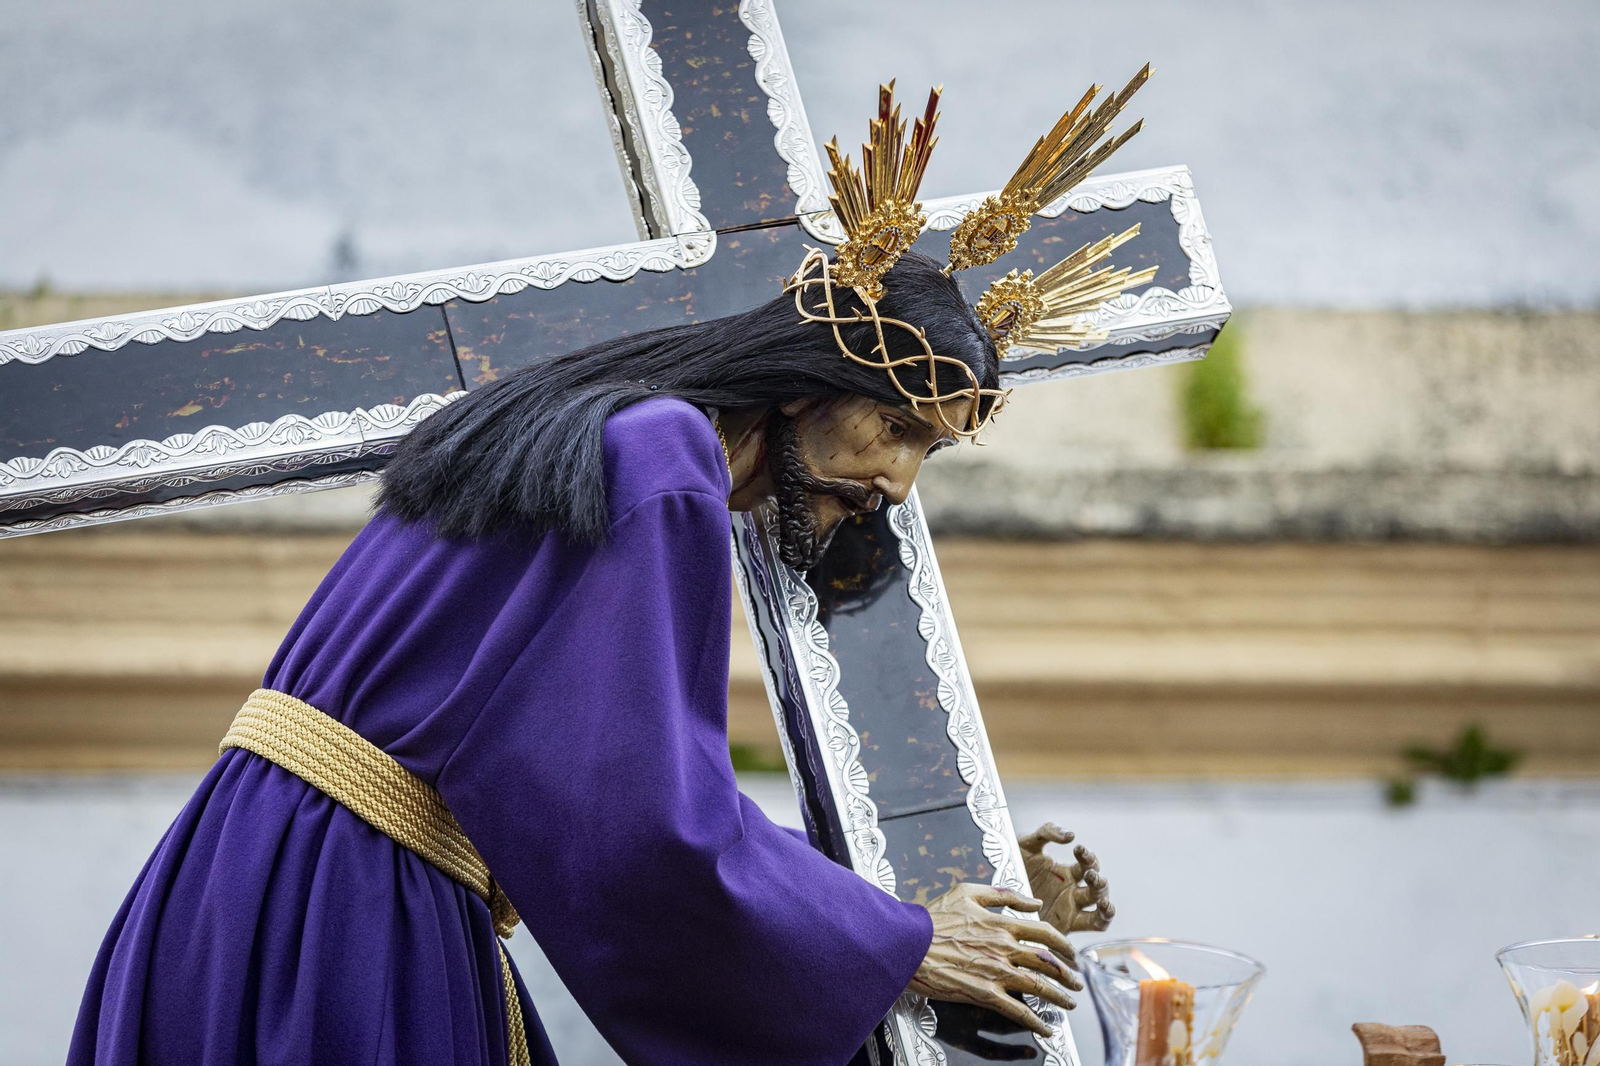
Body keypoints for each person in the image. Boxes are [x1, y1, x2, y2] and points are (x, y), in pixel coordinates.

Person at [70, 79, 1143, 1066]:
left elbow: (588, 783)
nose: (898, 481)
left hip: (241, 887)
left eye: (931, 449)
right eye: (894, 423)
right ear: (805, 380)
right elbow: (638, 830)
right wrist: (898, 943)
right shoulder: (661, 457)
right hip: (348, 915)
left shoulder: (597, 428)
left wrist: (906, 898)